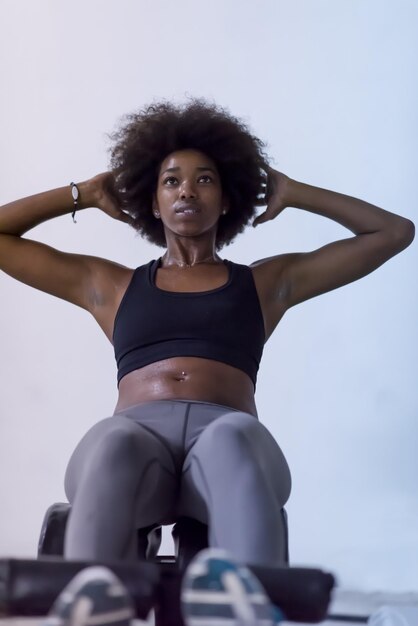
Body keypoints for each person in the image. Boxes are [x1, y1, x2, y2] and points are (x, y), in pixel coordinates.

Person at [0, 100, 414, 571]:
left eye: (205, 179)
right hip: (137, 442)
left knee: (233, 439)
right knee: (114, 440)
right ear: (152, 202)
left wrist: (294, 193)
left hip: (224, 438)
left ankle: (243, 603)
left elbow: (393, 232)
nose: (187, 191)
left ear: (228, 198)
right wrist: (85, 193)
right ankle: (94, 598)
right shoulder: (110, 287)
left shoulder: (265, 284)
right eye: (171, 180)